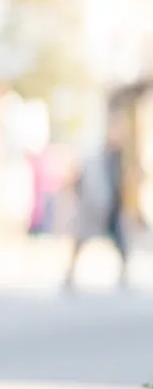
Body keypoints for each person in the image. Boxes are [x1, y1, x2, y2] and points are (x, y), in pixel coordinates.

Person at [64, 121, 130, 291]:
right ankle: (69, 275)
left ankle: (124, 275)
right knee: (81, 241)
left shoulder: (116, 158)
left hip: (109, 207)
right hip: (93, 206)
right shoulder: (95, 158)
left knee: (120, 243)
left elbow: (118, 185)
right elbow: (80, 182)